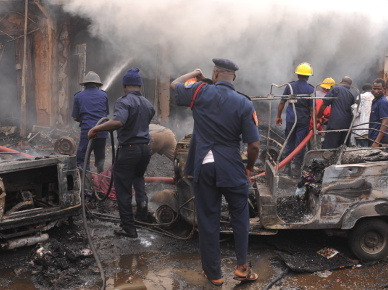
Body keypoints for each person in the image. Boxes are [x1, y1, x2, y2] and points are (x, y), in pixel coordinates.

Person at [171, 58, 260, 286]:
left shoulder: (200, 90)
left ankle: (214, 274)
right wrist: (248, 167)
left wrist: (195, 73)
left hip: (204, 164)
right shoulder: (244, 103)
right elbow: (254, 145)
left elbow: (174, 86)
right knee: (240, 216)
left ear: (215, 73)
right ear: (234, 77)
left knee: (208, 219)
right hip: (231, 165)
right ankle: (241, 268)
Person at [88, 68, 155, 238]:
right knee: (138, 178)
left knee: (123, 188)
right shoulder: (148, 103)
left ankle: (128, 228)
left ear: (124, 85)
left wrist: (97, 128)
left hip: (130, 149)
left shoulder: (124, 101)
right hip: (145, 149)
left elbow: (118, 122)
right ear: (139, 85)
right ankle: (142, 213)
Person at [275, 62, 314, 173]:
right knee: (300, 143)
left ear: (297, 75)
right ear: (308, 76)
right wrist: (313, 121)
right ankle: (297, 168)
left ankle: (287, 166)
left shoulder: (290, 86)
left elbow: (282, 102)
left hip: (291, 119)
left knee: (290, 141)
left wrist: (278, 117)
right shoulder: (311, 89)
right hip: (303, 120)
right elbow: (312, 108)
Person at [72, 71, 109, 172]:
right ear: (97, 85)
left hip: (87, 132)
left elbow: (75, 117)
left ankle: (86, 181)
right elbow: (105, 114)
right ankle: (100, 179)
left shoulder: (78, 96)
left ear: (84, 85)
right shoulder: (104, 95)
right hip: (102, 131)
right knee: (100, 158)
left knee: (83, 158)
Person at [317, 76, 355, 149]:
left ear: (341, 82)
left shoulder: (336, 89)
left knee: (329, 148)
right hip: (347, 126)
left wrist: (318, 117)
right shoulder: (351, 95)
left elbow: (324, 104)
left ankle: (328, 160)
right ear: (349, 86)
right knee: (342, 148)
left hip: (334, 125)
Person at [369, 79, 388, 147]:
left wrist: (377, 141)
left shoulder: (382, 102)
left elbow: (385, 122)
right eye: (374, 88)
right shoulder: (375, 100)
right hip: (372, 135)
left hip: (377, 138)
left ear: (384, 89)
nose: (376, 91)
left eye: (379, 89)